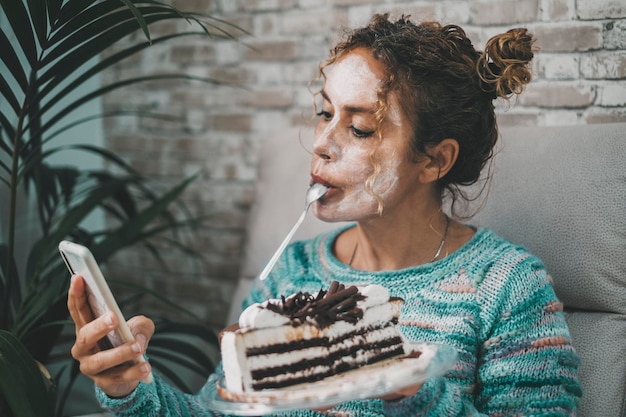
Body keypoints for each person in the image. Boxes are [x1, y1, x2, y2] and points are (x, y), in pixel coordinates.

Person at [68, 13, 582, 416]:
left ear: (434, 159)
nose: (320, 143)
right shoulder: (290, 275)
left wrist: (413, 390)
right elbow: (218, 412)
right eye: (324, 113)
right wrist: (130, 388)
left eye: (359, 129)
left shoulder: (507, 286)